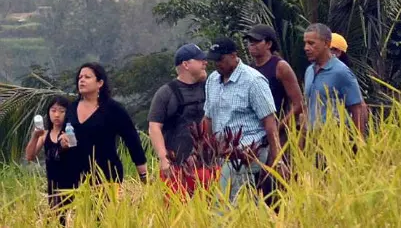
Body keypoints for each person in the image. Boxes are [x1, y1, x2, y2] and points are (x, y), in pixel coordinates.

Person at [202, 37, 286, 203]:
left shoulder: (253, 80)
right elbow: (208, 118)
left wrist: (277, 159)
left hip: (249, 153)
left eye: (221, 59)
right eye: (214, 60)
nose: (217, 64)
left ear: (234, 55)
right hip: (221, 153)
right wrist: (204, 149)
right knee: (238, 202)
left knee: (226, 205)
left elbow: (270, 122)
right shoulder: (212, 80)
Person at [62, 63, 148, 185]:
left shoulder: (113, 109)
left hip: (108, 176)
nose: (82, 80)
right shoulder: (71, 108)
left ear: (100, 83)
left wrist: (143, 175)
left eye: (87, 77)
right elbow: (61, 135)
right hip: (77, 177)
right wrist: (62, 142)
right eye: (80, 77)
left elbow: (132, 140)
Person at [148, 44, 208, 180]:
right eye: (200, 60)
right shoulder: (166, 93)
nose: (205, 63)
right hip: (175, 166)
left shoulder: (210, 87)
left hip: (207, 165)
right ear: (186, 64)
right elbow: (154, 127)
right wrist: (164, 159)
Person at [245, 24, 304, 144]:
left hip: (280, 133)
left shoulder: (280, 66)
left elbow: (299, 104)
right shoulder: (249, 69)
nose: (251, 44)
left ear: (268, 44)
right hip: (255, 135)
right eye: (250, 41)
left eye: (256, 41)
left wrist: (277, 127)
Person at [303, 24, 365, 134]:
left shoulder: (341, 72)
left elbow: (358, 109)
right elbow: (308, 108)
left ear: (326, 43)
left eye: (311, 43)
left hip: (334, 141)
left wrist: (359, 144)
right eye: (305, 43)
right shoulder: (309, 71)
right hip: (311, 141)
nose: (306, 48)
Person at [25, 96, 74, 225]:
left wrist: (68, 143)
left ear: (67, 113)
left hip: (71, 182)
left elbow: (77, 149)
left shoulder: (70, 132)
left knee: (60, 218)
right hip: (52, 183)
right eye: (53, 110)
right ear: (48, 112)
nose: (57, 115)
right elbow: (29, 156)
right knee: (56, 219)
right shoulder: (45, 135)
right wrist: (35, 136)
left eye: (61, 111)